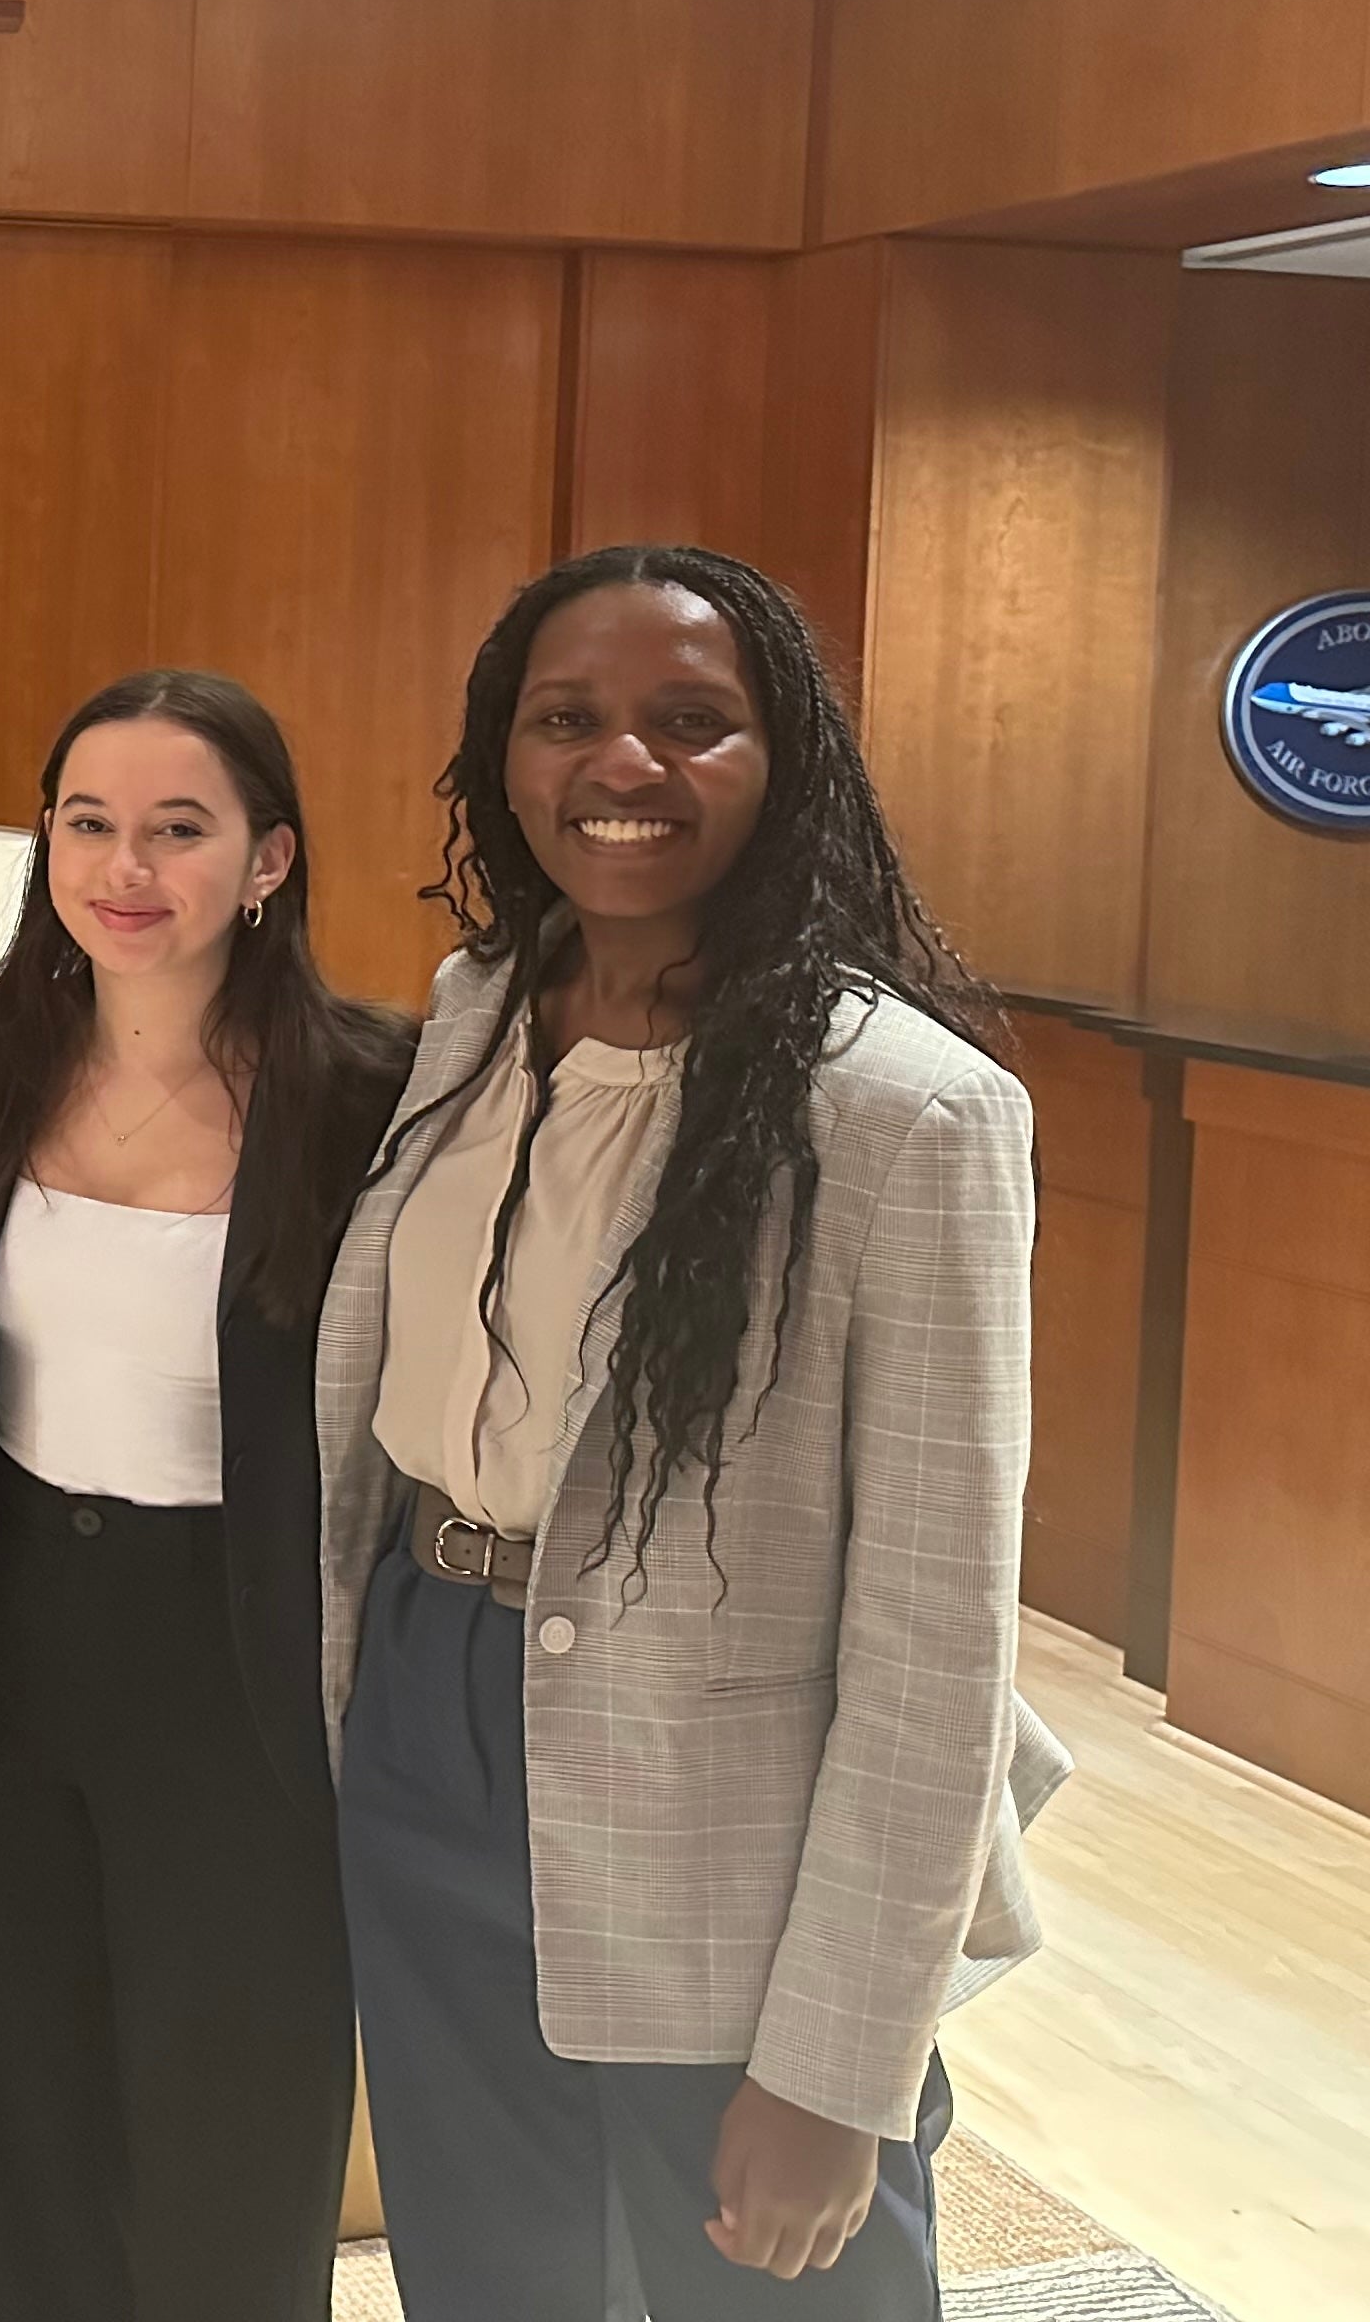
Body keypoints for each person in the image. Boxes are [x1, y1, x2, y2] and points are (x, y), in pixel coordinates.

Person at [319, 544, 1066, 2322]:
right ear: (504, 760)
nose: (621, 766)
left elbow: (936, 1633)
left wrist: (839, 2065)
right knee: (489, 2268)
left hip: (725, 1787)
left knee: (776, 2284)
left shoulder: (909, 1116)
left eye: (690, 723)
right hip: (426, 1707)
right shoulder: (477, 1017)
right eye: (567, 720)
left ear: (782, 757)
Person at [0, 671, 413, 2321]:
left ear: (266, 861)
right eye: (90, 823)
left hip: (241, 1665)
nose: (127, 867)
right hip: (10, 1654)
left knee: (230, 2124)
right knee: (25, 2110)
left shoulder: (366, 1099)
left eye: (178, 830)